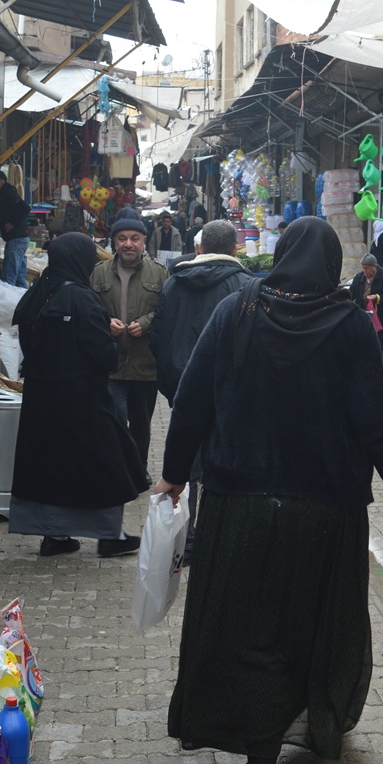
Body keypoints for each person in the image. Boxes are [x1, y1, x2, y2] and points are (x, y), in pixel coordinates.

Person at [153, 216, 383, 764]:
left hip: (240, 506)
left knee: (247, 625)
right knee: (307, 624)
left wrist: (174, 476)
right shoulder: (351, 326)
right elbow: (376, 418)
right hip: (323, 512)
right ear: (331, 265)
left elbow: (193, 399)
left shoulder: (237, 311)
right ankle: (311, 726)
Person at [8, 234, 146, 558]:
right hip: (83, 400)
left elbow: (29, 344)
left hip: (42, 400)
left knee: (52, 466)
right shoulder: (82, 299)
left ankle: (54, 535)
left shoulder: (40, 293)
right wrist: (113, 340)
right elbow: (104, 356)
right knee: (109, 461)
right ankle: (110, 535)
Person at [148, 219, 250, 560]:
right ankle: (220, 540)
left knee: (186, 462)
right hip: (228, 390)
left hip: (182, 384)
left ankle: (187, 541)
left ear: (200, 248)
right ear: (235, 249)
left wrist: (171, 376)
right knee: (223, 463)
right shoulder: (246, 286)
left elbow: (157, 335)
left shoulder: (174, 283)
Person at [92, 207, 169, 507]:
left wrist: (146, 323)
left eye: (134, 238)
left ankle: (138, 469)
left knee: (140, 422)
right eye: (122, 238)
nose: (128, 244)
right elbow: (89, 308)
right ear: (114, 241)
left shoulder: (159, 273)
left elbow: (166, 311)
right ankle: (118, 468)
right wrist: (106, 321)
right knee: (115, 419)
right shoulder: (98, 272)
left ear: (143, 241)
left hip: (145, 364)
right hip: (112, 363)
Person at [0, 170, 31, 288]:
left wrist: (12, 223)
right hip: (18, 239)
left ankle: (9, 299)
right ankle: (27, 298)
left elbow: (25, 208)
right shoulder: (5, 195)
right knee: (19, 279)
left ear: (1, 181)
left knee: (8, 278)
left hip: (17, 239)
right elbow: (3, 222)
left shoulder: (8, 194)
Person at [348, 254, 383, 361]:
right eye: (363, 268)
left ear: (374, 266)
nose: (365, 271)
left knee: (382, 345)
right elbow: (352, 293)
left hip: (382, 317)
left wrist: (377, 298)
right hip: (364, 316)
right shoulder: (359, 277)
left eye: (367, 268)